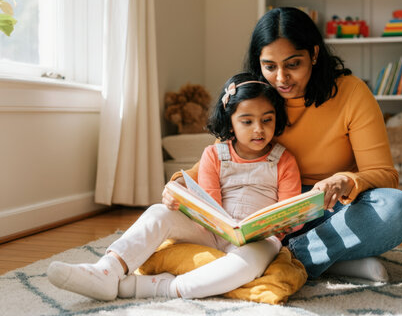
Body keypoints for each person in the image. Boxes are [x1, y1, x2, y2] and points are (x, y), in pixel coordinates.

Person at [164, 7, 402, 282]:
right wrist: (180, 183)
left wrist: (344, 181)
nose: (281, 78)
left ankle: (283, 260)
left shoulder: (352, 93)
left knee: (396, 209)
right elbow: (220, 155)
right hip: (260, 207)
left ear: (314, 54)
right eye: (270, 66)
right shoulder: (254, 94)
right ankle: (325, 260)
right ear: (258, 62)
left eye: (293, 64)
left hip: (325, 209)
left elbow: (385, 174)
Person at [47, 72, 302, 300]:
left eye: (267, 120)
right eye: (247, 121)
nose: (259, 129)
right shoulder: (215, 154)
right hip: (215, 230)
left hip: (258, 239)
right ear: (231, 122)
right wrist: (184, 200)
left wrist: (288, 221)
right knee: (159, 212)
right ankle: (107, 270)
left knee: (249, 263)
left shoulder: (284, 160)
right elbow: (210, 206)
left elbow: (290, 212)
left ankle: (157, 288)